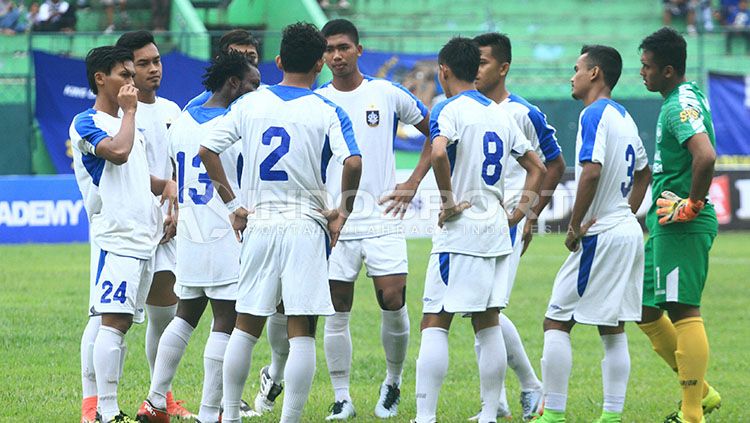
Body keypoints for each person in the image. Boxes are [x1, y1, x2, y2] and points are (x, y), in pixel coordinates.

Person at [248, 18, 431, 420]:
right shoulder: (317, 100)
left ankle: (393, 383)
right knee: (336, 307)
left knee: (393, 297)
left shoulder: (386, 93)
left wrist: (414, 181)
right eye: (329, 49)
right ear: (321, 56)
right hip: (333, 219)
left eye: (344, 47)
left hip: (381, 214)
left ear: (359, 50)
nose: (336, 55)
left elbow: (434, 129)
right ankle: (342, 396)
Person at [199, 21, 362, 423]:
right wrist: (343, 209)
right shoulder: (327, 109)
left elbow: (207, 149)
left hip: (260, 222)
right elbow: (353, 161)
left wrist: (234, 204)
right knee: (300, 325)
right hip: (306, 224)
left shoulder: (250, 103)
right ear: (321, 63)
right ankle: (289, 418)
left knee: (246, 323)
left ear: (277, 60)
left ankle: (231, 415)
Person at [413, 37, 545, 423]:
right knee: (487, 321)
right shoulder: (504, 113)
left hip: (461, 230)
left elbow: (438, 152)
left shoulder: (447, 108)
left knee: (435, 320)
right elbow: (536, 169)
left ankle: (425, 417)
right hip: (494, 228)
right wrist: (517, 214)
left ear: (444, 71)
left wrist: (449, 201)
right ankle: (490, 413)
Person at [135, 52, 260, 423]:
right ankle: (210, 413)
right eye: (252, 84)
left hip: (190, 231)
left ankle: (155, 402)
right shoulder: (237, 122)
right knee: (226, 319)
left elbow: (178, 171)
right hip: (227, 230)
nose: (257, 91)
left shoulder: (183, 120)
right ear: (234, 83)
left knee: (185, 316)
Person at [533, 45, 651, 423]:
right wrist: (626, 213)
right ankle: (612, 416)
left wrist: (575, 224)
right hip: (626, 231)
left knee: (556, 319)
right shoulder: (625, 116)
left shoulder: (593, 113)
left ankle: (552, 413)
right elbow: (645, 173)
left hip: (602, 232)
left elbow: (592, 171)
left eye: (577, 68)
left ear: (595, 73)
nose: (572, 76)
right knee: (612, 325)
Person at [71, 45, 176, 423]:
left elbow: (134, 173)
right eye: (125, 74)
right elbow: (116, 153)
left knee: (123, 326)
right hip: (115, 238)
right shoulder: (86, 122)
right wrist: (130, 112)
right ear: (101, 78)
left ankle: (107, 408)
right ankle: (106, 410)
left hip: (142, 239)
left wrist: (164, 185)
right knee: (110, 324)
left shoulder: (130, 124)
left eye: (133, 75)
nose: (132, 82)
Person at [472, 32, 565, 421]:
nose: (476, 70)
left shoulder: (523, 113)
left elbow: (555, 164)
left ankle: (516, 394)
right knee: (479, 310)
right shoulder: (466, 108)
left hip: (506, 221)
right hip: (473, 223)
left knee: (485, 310)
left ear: (503, 67)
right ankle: (514, 395)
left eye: (483, 62)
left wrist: (529, 214)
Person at [638, 27, 721, 423]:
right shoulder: (680, 98)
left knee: (683, 309)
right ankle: (702, 392)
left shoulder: (678, 106)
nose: (642, 73)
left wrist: (692, 203)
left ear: (668, 70)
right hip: (665, 221)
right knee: (644, 309)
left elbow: (705, 156)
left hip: (681, 222)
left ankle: (692, 414)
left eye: (648, 66)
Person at [113, 30, 193, 419]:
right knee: (124, 321)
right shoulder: (119, 117)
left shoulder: (173, 111)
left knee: (166, 316)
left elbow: (179, 171)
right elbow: (128, 171)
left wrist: (178, 211)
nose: (153, 69)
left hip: (169, 227)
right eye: (143, 63)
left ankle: (160, 395)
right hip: (135, 229)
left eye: (156, 61)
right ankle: (107, 401)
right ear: (128, 68)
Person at [184, 29, 261, 111]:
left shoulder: (269, 98)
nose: (246, 62)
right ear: (220, 61)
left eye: (251, 57)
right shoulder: (195, 108)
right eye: (237, 56)